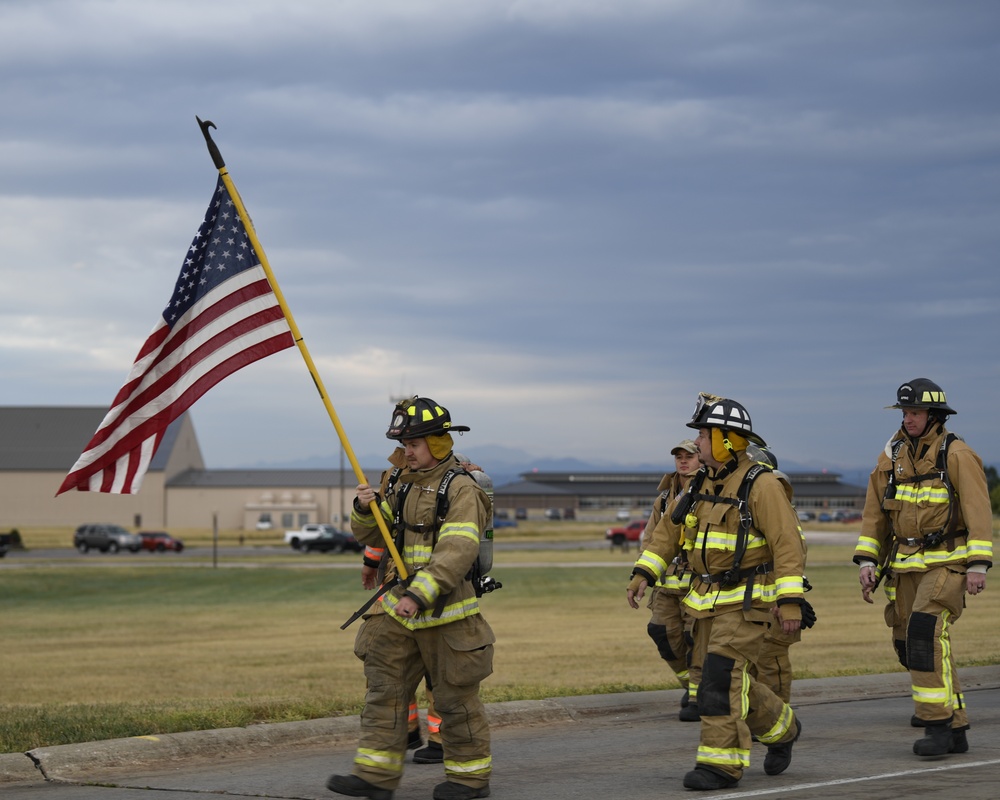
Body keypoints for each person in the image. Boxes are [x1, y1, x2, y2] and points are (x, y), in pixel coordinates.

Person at [627, 394, 804, 791]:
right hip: (706, 599)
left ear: (727, 439)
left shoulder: (762, 484)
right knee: (724, 678)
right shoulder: (701, 483)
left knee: (720, 678)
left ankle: (720, 765)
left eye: (704, 435)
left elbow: (788, 544)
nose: (697, 442)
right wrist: (644, 572)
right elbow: (668, 532)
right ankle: (783, 727)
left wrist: (790, 601)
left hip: (748, 601)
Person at [328, 396, 494, 800]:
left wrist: (420, 594)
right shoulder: (400, 482)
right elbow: (373, 535)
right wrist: (364, 509)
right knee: (384, 691)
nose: (407, 452)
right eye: (403, 445)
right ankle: (375, 777)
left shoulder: (461, 489)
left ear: (437, 443)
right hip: (397, 611)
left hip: (447, 616)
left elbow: (457, 549)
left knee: (454, 700)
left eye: (414, 444)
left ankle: (469, 780)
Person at [854, 378, 992, 757]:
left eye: (915, 412)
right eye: (905, 412)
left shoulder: (957, 454)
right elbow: (875, 516)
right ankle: (957, 726)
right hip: (904, 566)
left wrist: (978, 565)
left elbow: (979, 511)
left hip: (948, 562)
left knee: (924, 633)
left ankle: (937, 725)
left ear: (934, 416)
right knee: (911, 643)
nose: (908, 418)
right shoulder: (891, 457)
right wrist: (867, 561)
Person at [640, 438, 701, 721]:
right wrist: (642, 574)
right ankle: (692, 687)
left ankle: (699, 698)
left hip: (698, 585)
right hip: (666, 586)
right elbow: (651, 540)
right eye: (679, 457)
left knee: (696, 639)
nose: (683, 461)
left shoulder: (710, 493)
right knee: (662, 635)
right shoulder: (664, 499)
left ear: (702, 459)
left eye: (689, 456)